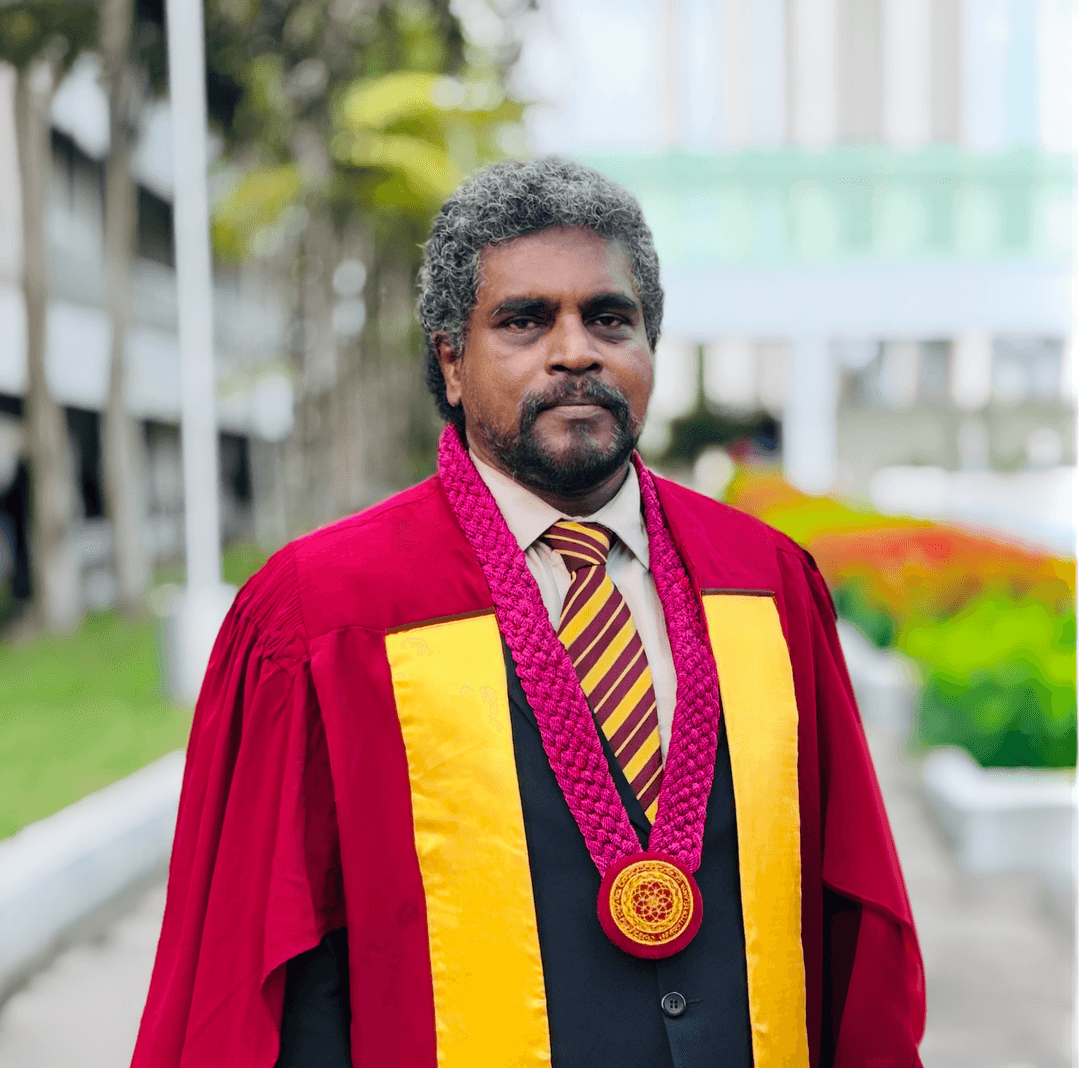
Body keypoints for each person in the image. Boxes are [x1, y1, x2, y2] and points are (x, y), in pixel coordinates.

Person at [132, 158, 925, 1068]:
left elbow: (852, 917)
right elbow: (260, 980)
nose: (576, 349)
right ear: (451, 360)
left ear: (649, 349)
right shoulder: (320, 618)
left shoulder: (767, 584)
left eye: (610, 318)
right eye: (523, 320)